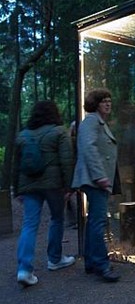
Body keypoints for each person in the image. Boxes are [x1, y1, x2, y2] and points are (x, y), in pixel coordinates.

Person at [13, 101, 76, 287]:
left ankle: (24, 269)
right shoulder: (59, 132)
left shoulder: (22, 135)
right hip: (53, 185)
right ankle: (55, 259)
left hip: (29, 185)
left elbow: (15, 167)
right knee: (57, 219)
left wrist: (16, 189)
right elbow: (67, 160)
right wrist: (69, 186)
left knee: (29, 224)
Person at [72, 88, 120, 282]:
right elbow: (88, 149)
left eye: (109, 100)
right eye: (103, 101)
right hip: (95, 180)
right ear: (95, 104)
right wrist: (100, 177)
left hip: (95, 179)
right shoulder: (92, 121)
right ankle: (101, 264)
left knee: (94, 221)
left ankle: (92, 262)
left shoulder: (98, 122)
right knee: (98, 222)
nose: (107, 104)